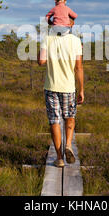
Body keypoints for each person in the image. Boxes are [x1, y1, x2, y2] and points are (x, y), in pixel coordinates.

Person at [38, 17, 84, 167]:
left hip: (51, 86)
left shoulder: (48, 39)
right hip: (69, 88)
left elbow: (41, 61)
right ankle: (68, 145)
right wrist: (81, 89)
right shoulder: (76, 41)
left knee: (54, 121)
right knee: (70, 118)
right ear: (71, 24)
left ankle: (59, 158)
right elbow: (79, 68)